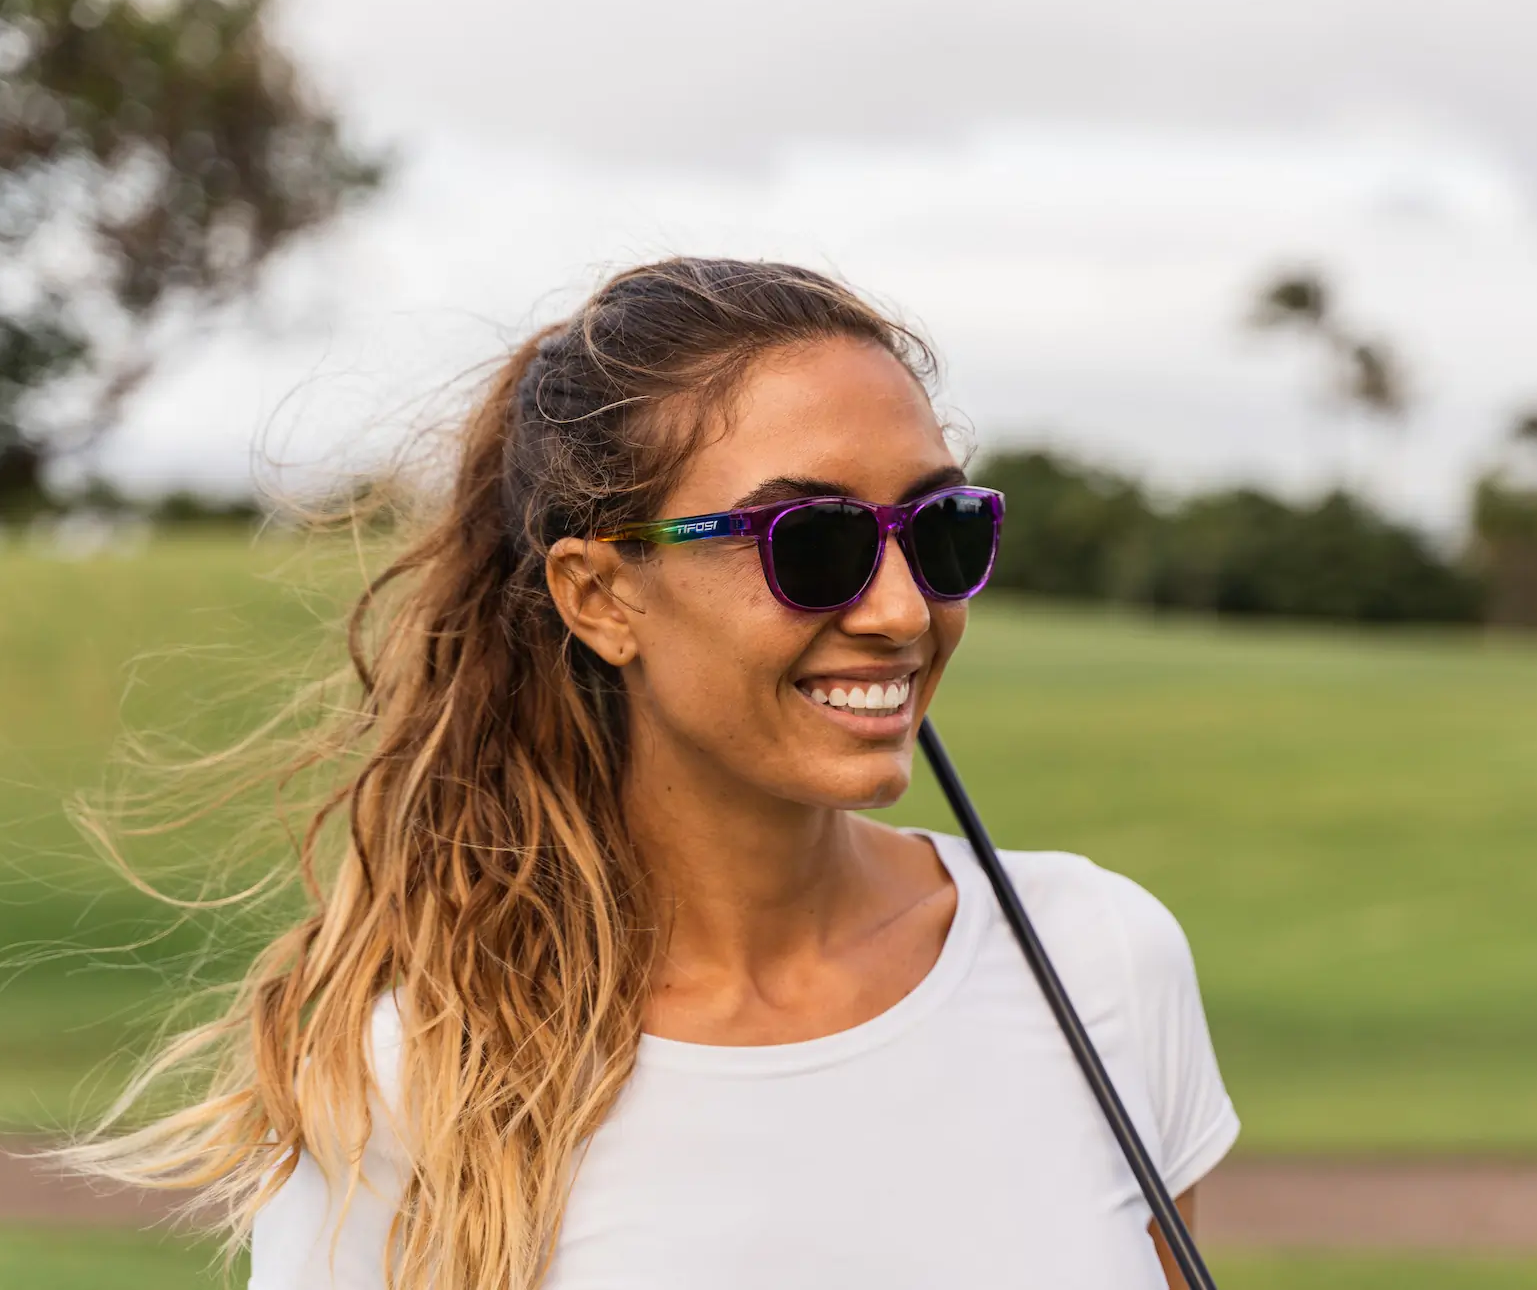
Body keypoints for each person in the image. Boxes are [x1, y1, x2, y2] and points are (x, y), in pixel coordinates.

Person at [64, 258, 1238, 1289]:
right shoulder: (416, 1080)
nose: (900, 610)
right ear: (600, 595)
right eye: (812, 544)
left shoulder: (1099, 959)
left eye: (939, 532)